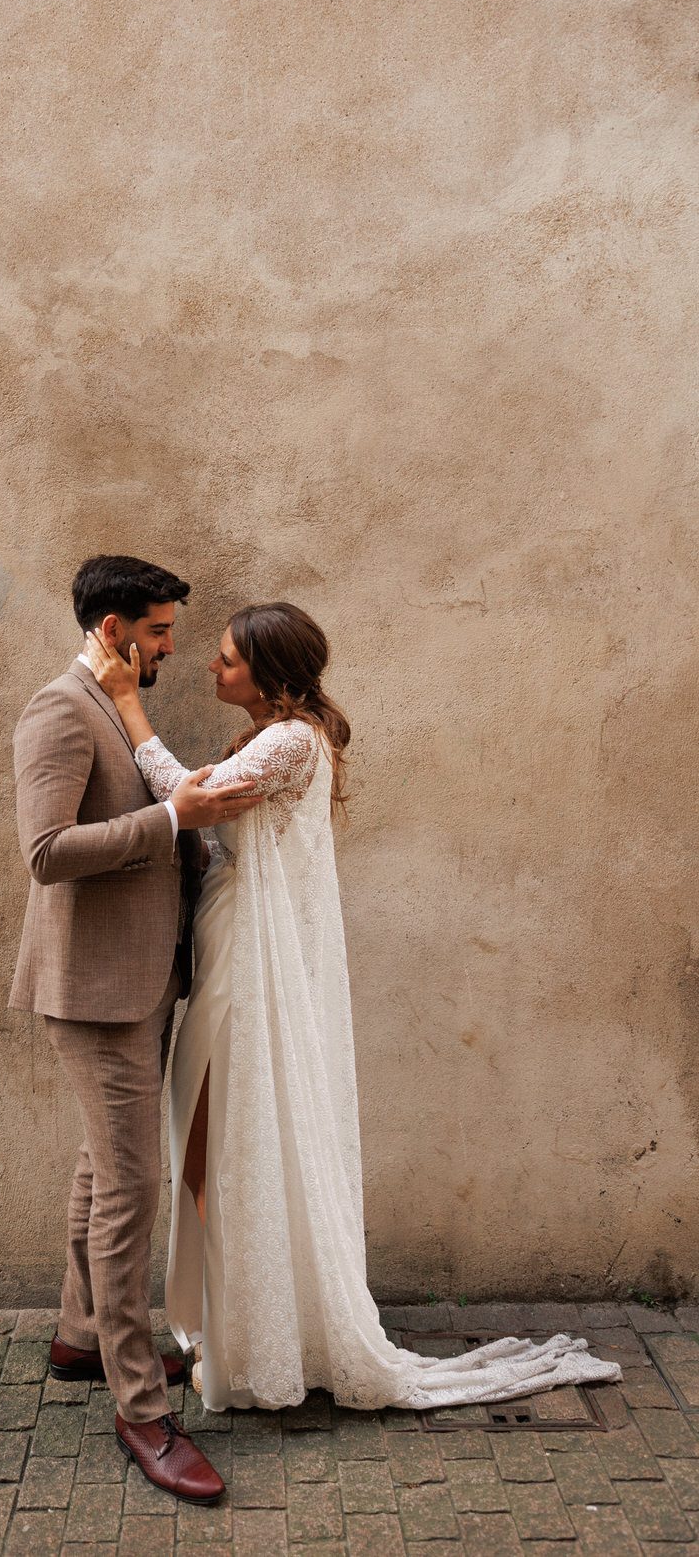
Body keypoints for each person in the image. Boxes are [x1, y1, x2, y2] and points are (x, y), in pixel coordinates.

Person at [86, 602, 624, 1412]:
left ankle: (263, 1336)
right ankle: (233, 1324)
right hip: (228, 948)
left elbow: (184, 795)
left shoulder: (293, 741)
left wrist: (128, 703)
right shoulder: (280, 735)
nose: (212, 667)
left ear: (269, 674)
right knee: (206, 1132)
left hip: (246, 966)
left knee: (227, 1133)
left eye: (228, 659)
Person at [10, 555, 265, 1506]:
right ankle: (142, 1410)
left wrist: (177, 816)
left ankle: (81, 1335)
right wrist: (172, 820)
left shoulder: (113, 703)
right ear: (115, 628)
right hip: (93, 993)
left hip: (143, 979)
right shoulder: (58, 711)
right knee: (132, 1189)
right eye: (159, 632)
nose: (169, 648)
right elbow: (45, 855)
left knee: (99, 1166)